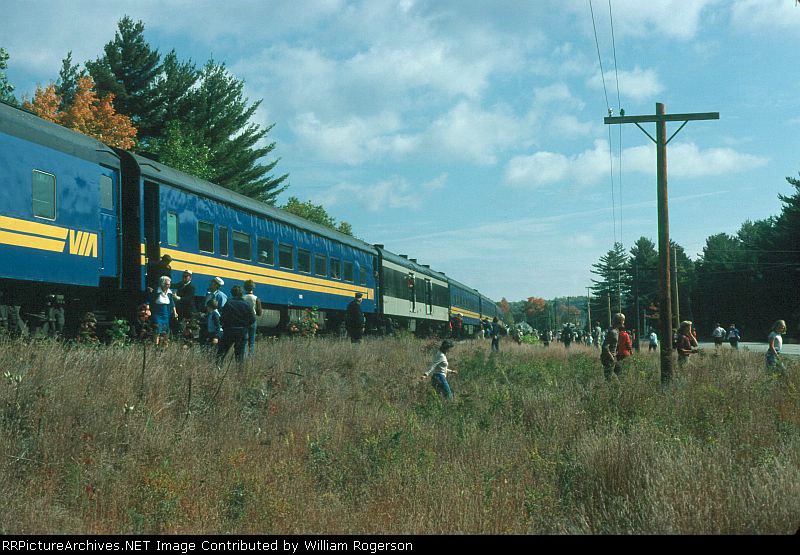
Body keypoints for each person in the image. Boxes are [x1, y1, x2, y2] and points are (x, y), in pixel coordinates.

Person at [217, 285, 255, 366]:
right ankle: (239, 372)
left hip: (229, 331)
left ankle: (218, 368)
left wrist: (224, 325)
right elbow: (252, 319)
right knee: (239, 355)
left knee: (222, 353)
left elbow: (223, 317)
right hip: (242, 332)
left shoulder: (229, 303)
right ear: (241, 293)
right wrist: (245, 326)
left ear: (232, 293)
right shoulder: (246, 305)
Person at [150, 275, 177, 347]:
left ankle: (165, 347)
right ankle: (155, 346)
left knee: (166, 331)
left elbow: (172, 303)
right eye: (166, 284)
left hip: (166, 314)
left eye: (169, 284)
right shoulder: (156, 291)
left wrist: (175, 312)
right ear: (162, 284)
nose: (168, 286)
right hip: (157, 313)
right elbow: (150, 301)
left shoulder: (169, 293)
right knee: (157, 329)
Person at [600, 313, 626, 380]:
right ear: (620, 321)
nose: (624, 322)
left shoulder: (616, 330)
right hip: (608, 358)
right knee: (609, 377)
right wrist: (611, 357)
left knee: (620, 374)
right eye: (623, 320)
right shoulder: (612, 332)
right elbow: (605, 346)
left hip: (613, 357)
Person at [242, 279, 263, 356]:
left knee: (244, 340)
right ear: (253, 288)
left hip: (244, 321)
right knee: (251, 341)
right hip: (253, 321)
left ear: (244, 288)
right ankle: (251, 356)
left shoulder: (242, 298)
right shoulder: (256, 298)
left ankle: (243, 356)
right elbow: (259, 313)